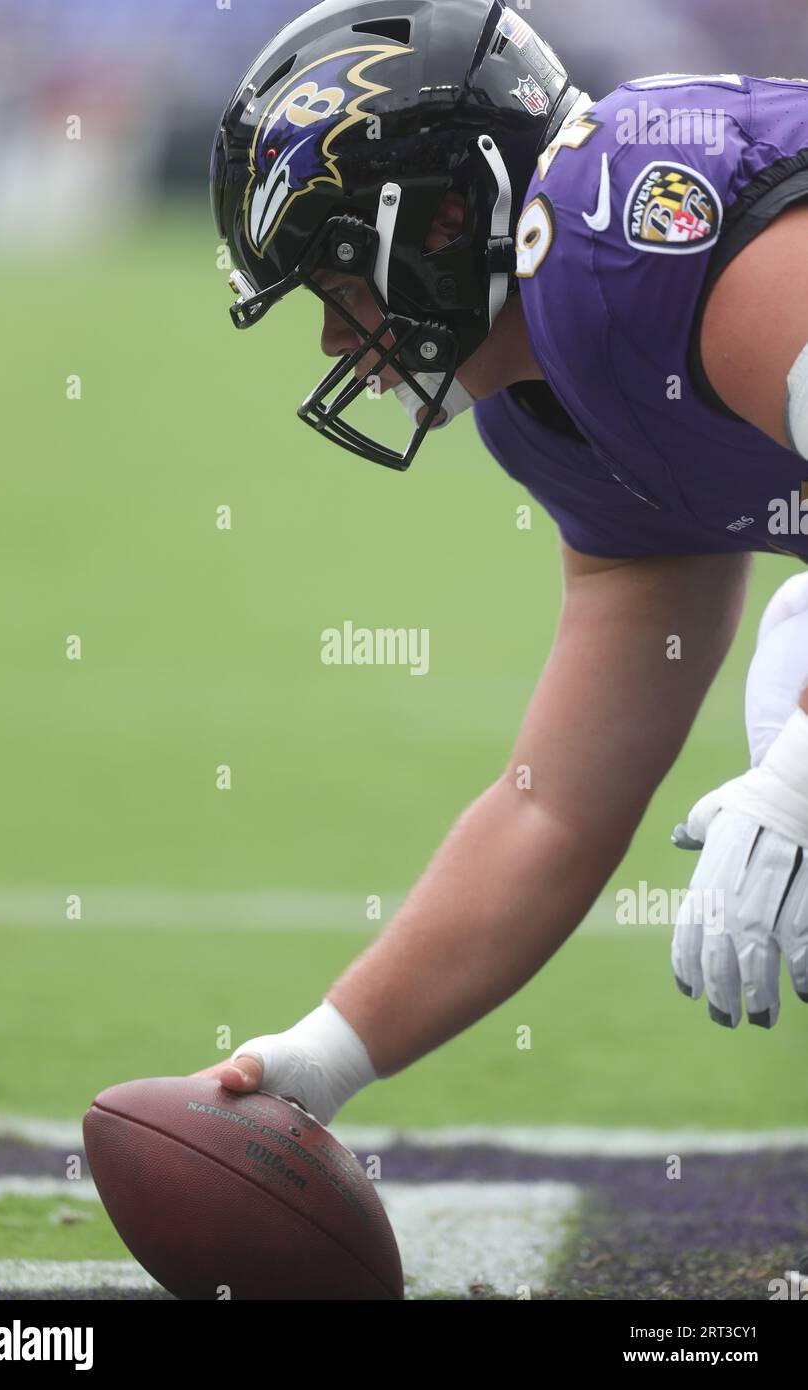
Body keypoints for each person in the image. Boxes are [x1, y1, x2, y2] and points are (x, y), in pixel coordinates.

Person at [198, 0, 808, 1123]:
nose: (339, 341)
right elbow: (552, 811)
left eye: (336, 286)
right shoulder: (547, 407)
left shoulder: (618, 223)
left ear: (436, 219)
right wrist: (323, 1058)